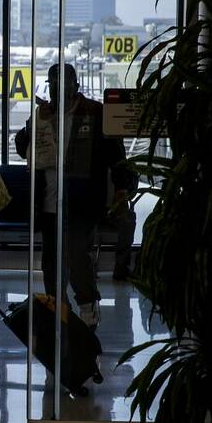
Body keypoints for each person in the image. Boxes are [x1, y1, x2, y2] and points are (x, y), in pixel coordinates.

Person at [14, 64, 135, 327]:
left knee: (79, 255)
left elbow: (116, 155)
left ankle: (87, 305)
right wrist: (36, 122)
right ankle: (59, 312)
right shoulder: (45, 115)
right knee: (51, 264)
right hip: (48, 202)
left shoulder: (94, 112)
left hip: (82, 201)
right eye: (53, 83)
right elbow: (22, 147)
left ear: (75, 86)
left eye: (64, 83)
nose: (58, 89)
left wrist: (122, 189)